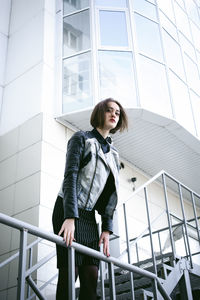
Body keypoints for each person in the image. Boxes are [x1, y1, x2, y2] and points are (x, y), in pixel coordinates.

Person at [52, 98, 128, 300]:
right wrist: (70, 217)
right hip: (67, 211)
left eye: (117, 113)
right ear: (99, 113)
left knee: (91, 281)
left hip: (89, 219)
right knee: (69, 275)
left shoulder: (114, 154)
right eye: (109, 110)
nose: (114, 114)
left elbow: (110, 194)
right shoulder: (81, 138)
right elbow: (71, 176)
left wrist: (106, 227)